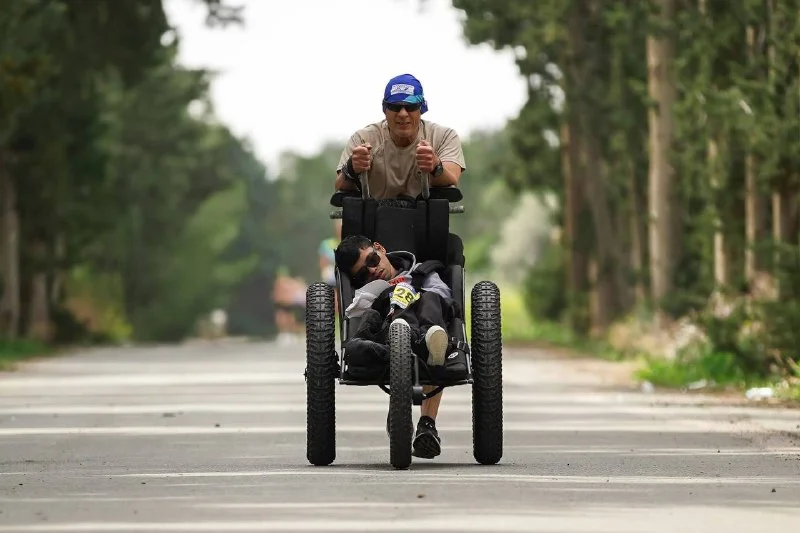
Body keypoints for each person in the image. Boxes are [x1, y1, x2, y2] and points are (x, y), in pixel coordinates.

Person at [334, 235, 468, 460]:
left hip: (427, 328)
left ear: (380, 248)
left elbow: (445, 298)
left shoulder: (422, 272)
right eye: (364, 273)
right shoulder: (367, 291)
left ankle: (426, 422)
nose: (373, 271)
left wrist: (410, 291)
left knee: (431, 300)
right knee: (365, 330)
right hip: (387, 336)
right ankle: (401, 370)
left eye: (372, 261)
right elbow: (357, 316)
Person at [334, 73, 465, 199]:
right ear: (385, 109)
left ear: (421, 108)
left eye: (411, 106)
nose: (403, 114)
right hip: (374, 212)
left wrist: (435, 166)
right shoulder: (362, 139)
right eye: (395, 107)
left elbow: (452, 179)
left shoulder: (444, 136)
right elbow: (339, 186)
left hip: (426, 212)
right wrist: (351, 168)